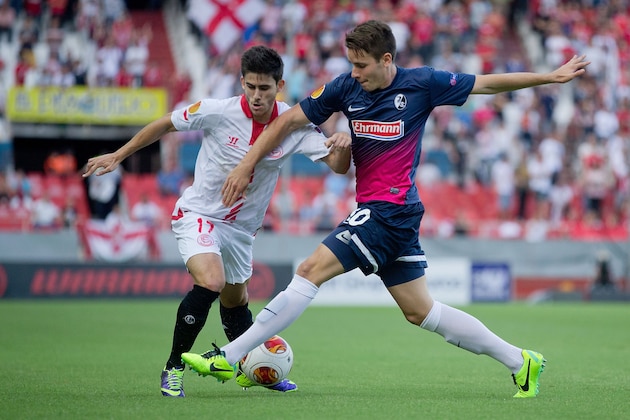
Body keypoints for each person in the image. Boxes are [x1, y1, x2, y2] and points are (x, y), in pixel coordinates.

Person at [182, 20, 590, 398]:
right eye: (351, 64)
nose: (355, 72)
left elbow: (486, 83)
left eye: (361, 65)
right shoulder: (344, 88)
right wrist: (248, 163)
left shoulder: (423, 84)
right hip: (389, 213)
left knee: (308, 271)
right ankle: (522, 362)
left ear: (387, 60)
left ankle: (229, 357)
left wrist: (548, 77)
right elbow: (286, 122)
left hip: (389, 210)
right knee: (420, 311)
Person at [82, 45, 351, 397]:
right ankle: (173, 367)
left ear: (279, 85)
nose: (257, 96)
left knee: (235, 302)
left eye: (265, 88)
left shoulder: (293, 124)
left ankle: (249, 370)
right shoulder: (217, 111)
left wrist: (343, 144)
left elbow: (339, 166)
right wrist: (119, 155)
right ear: (241, 82)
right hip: (200, 215)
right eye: (250, 86)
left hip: (241, 231)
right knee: (212, 281)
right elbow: (166, 124)